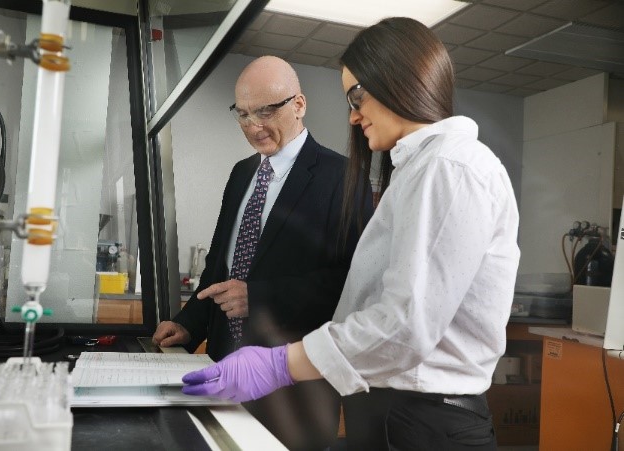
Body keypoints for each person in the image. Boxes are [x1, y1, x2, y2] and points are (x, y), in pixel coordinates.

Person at [180, 17, 521, 451]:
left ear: (399, 81)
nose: (354, 115)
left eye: (358, 95)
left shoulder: (448, 169)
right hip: (389, 410)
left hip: (422, 419)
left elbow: (404, 325)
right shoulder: (419, 171)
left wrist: (280, 364)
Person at [152, 56, 374, 450]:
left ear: (299, 105)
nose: (253, 126)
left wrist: (259, 297)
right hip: (223, 371)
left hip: (294, 389)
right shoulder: (241, 175)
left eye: (266, 111)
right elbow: (220, 266)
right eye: (243, 114)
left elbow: (353, 284)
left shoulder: (343, 176)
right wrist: (189, 324)